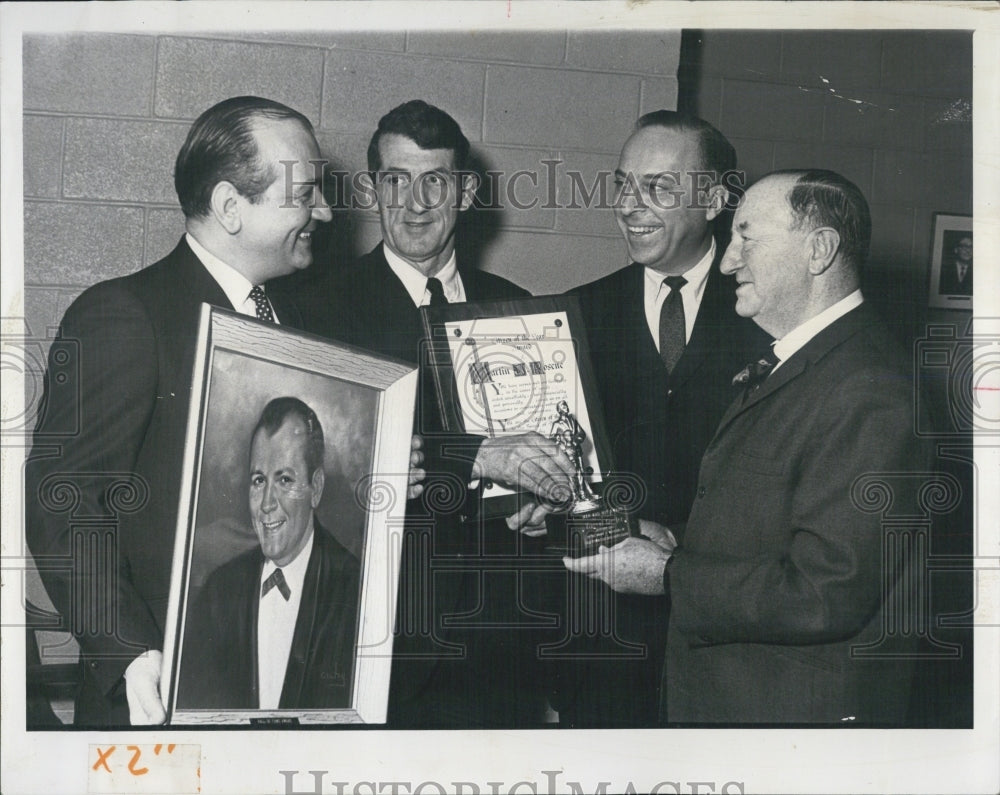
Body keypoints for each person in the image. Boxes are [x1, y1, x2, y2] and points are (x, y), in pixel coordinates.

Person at [566, 169, 929, 725]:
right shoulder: (805, 363)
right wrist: (674, 540)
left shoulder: (869, 390)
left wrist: (667, 574)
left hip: (792, 726)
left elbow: (824, 591)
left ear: (819, 250)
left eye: (746, 239)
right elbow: (774, 525)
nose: (729, 260)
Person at [24, 95, 333, 726]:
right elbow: (61, 498)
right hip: (158, 703)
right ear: (229, 207)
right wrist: (131, 651)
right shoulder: (126, 315)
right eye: (305, 194)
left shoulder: (300, 321)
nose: (324, 212)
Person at [298, 99, 573, 727]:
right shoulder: (318, 313)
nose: (415, 203)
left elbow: (557, 449)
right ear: (371, 189)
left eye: (436, 182)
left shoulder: (520, 309)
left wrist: (548, 499)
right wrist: (473, 458)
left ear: (467, 191)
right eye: (396, 180)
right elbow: (336, 461)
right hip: (377, 647)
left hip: (504, 647)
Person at [549, 111, 769, 727]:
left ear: (717, 199)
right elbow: (566, 484)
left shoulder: (767, 312)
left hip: (728, 645)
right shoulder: (580, 312)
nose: (630, 205)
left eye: (660, 188)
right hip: (604, 649)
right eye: (622, 184)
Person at [176, 398, 359, 711]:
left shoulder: (357, 592)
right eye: (259, 480)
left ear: (315, 488)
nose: (266, 504)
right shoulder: (219, 591)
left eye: (284, 480)